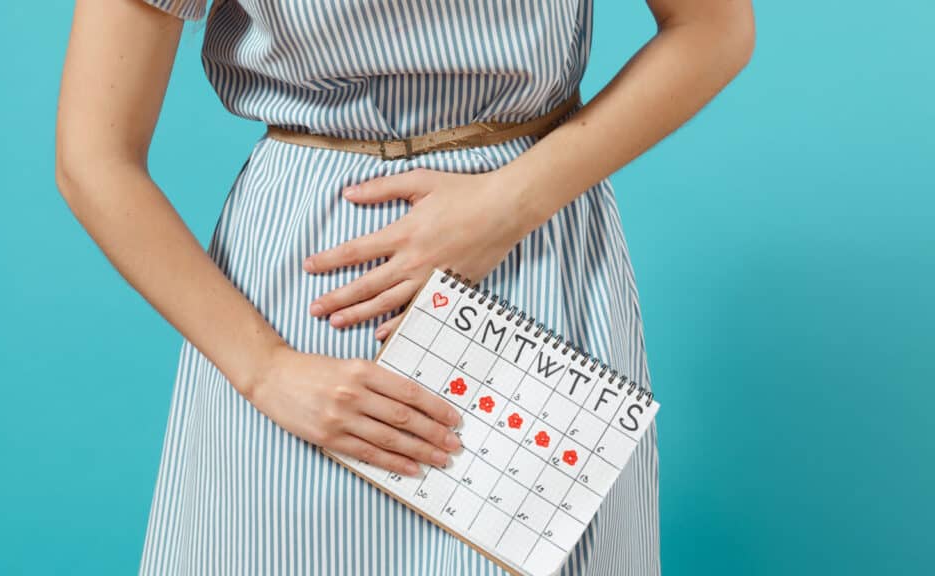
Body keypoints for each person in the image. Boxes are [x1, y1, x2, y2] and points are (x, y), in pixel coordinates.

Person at [55, 0, 754, 574]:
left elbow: (714, 27)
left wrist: (509, 206)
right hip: (300, 304)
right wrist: (265, 369)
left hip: (534, 250)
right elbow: (94, 155)